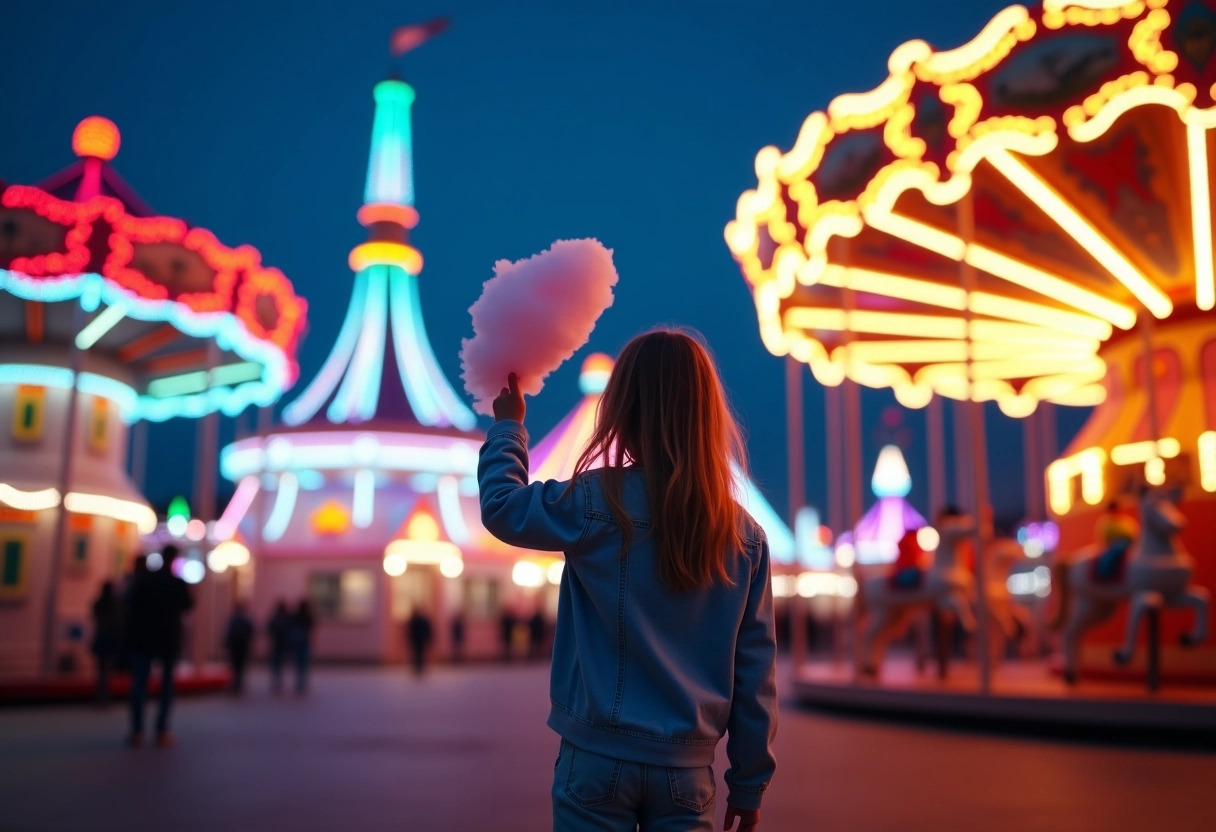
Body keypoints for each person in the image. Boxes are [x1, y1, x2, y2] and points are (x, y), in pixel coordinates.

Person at [478, 330, 777, 832]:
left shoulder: (595, 501)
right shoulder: (744, 537)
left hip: (594, 754)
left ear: (623, 411)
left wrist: (509, 430)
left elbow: (503, 508)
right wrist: (749, 782)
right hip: (687, 771)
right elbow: (754, 674)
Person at [124, 545, 193, 747]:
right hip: (168, 639)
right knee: (166, 687)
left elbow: (129, 603)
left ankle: (137, 731)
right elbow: (189, 605)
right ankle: (161, 730)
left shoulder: (143, 581)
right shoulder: (176, 583)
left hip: (142, 639)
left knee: (139, 685)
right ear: (174, 560)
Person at [90, 581, 122, 705]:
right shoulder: (115, 604)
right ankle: (105, 694)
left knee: (100, 670)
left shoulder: (99, 603)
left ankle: (100, 694)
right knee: (107, 670)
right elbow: (118, 622)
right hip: (110, 639)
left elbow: (95, 617)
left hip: (101, 638)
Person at [224, 603, 255, 695]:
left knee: (234, 664)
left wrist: (227, 642)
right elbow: (251, 631)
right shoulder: (246, 619)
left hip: (234, 644)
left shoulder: (233, 619)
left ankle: (235, 683)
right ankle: (238, 682)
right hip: (243, 644)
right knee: (241, 664)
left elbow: (229, 632)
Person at [290, 599, 315, 694]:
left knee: (298, 662)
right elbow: (312, 626)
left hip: (297, 641)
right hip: (304, 641)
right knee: (303, 663)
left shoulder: (296, 616)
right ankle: (301, 682)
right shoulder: (308, 616)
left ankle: (299, 682)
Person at [267, 600, 292, 694]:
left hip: (276, 643)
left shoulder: (275, 617)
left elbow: (269, 628)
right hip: (283, 644)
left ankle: (276, 681)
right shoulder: (286, 618)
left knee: (275, 664)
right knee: (280, 663)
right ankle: (278, 681)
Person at [406, 608, 434, 676]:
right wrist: (428, 638)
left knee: (417, 654)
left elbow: (410, 631)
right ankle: (419, 667)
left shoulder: (414, 620)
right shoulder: (422, 620)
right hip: (421, 640)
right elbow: (427, 630)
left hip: (416, 640)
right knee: (420, 654)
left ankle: (418, 667)